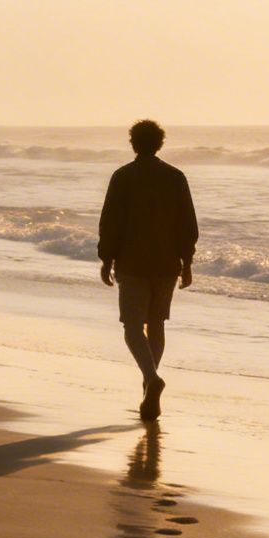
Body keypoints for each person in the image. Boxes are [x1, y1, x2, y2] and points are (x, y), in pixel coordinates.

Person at [98, 119, 198, 421]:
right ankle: (149, 381)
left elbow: (110, 222)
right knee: (156, 324)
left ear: (133, 144)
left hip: (132, 262)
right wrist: (187, 262)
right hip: (167, 263)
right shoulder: (175, 177)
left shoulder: (123, 177)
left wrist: (106, 259)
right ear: (160, 144)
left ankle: (151, 378)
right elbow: (188, 225)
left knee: (131, 327)